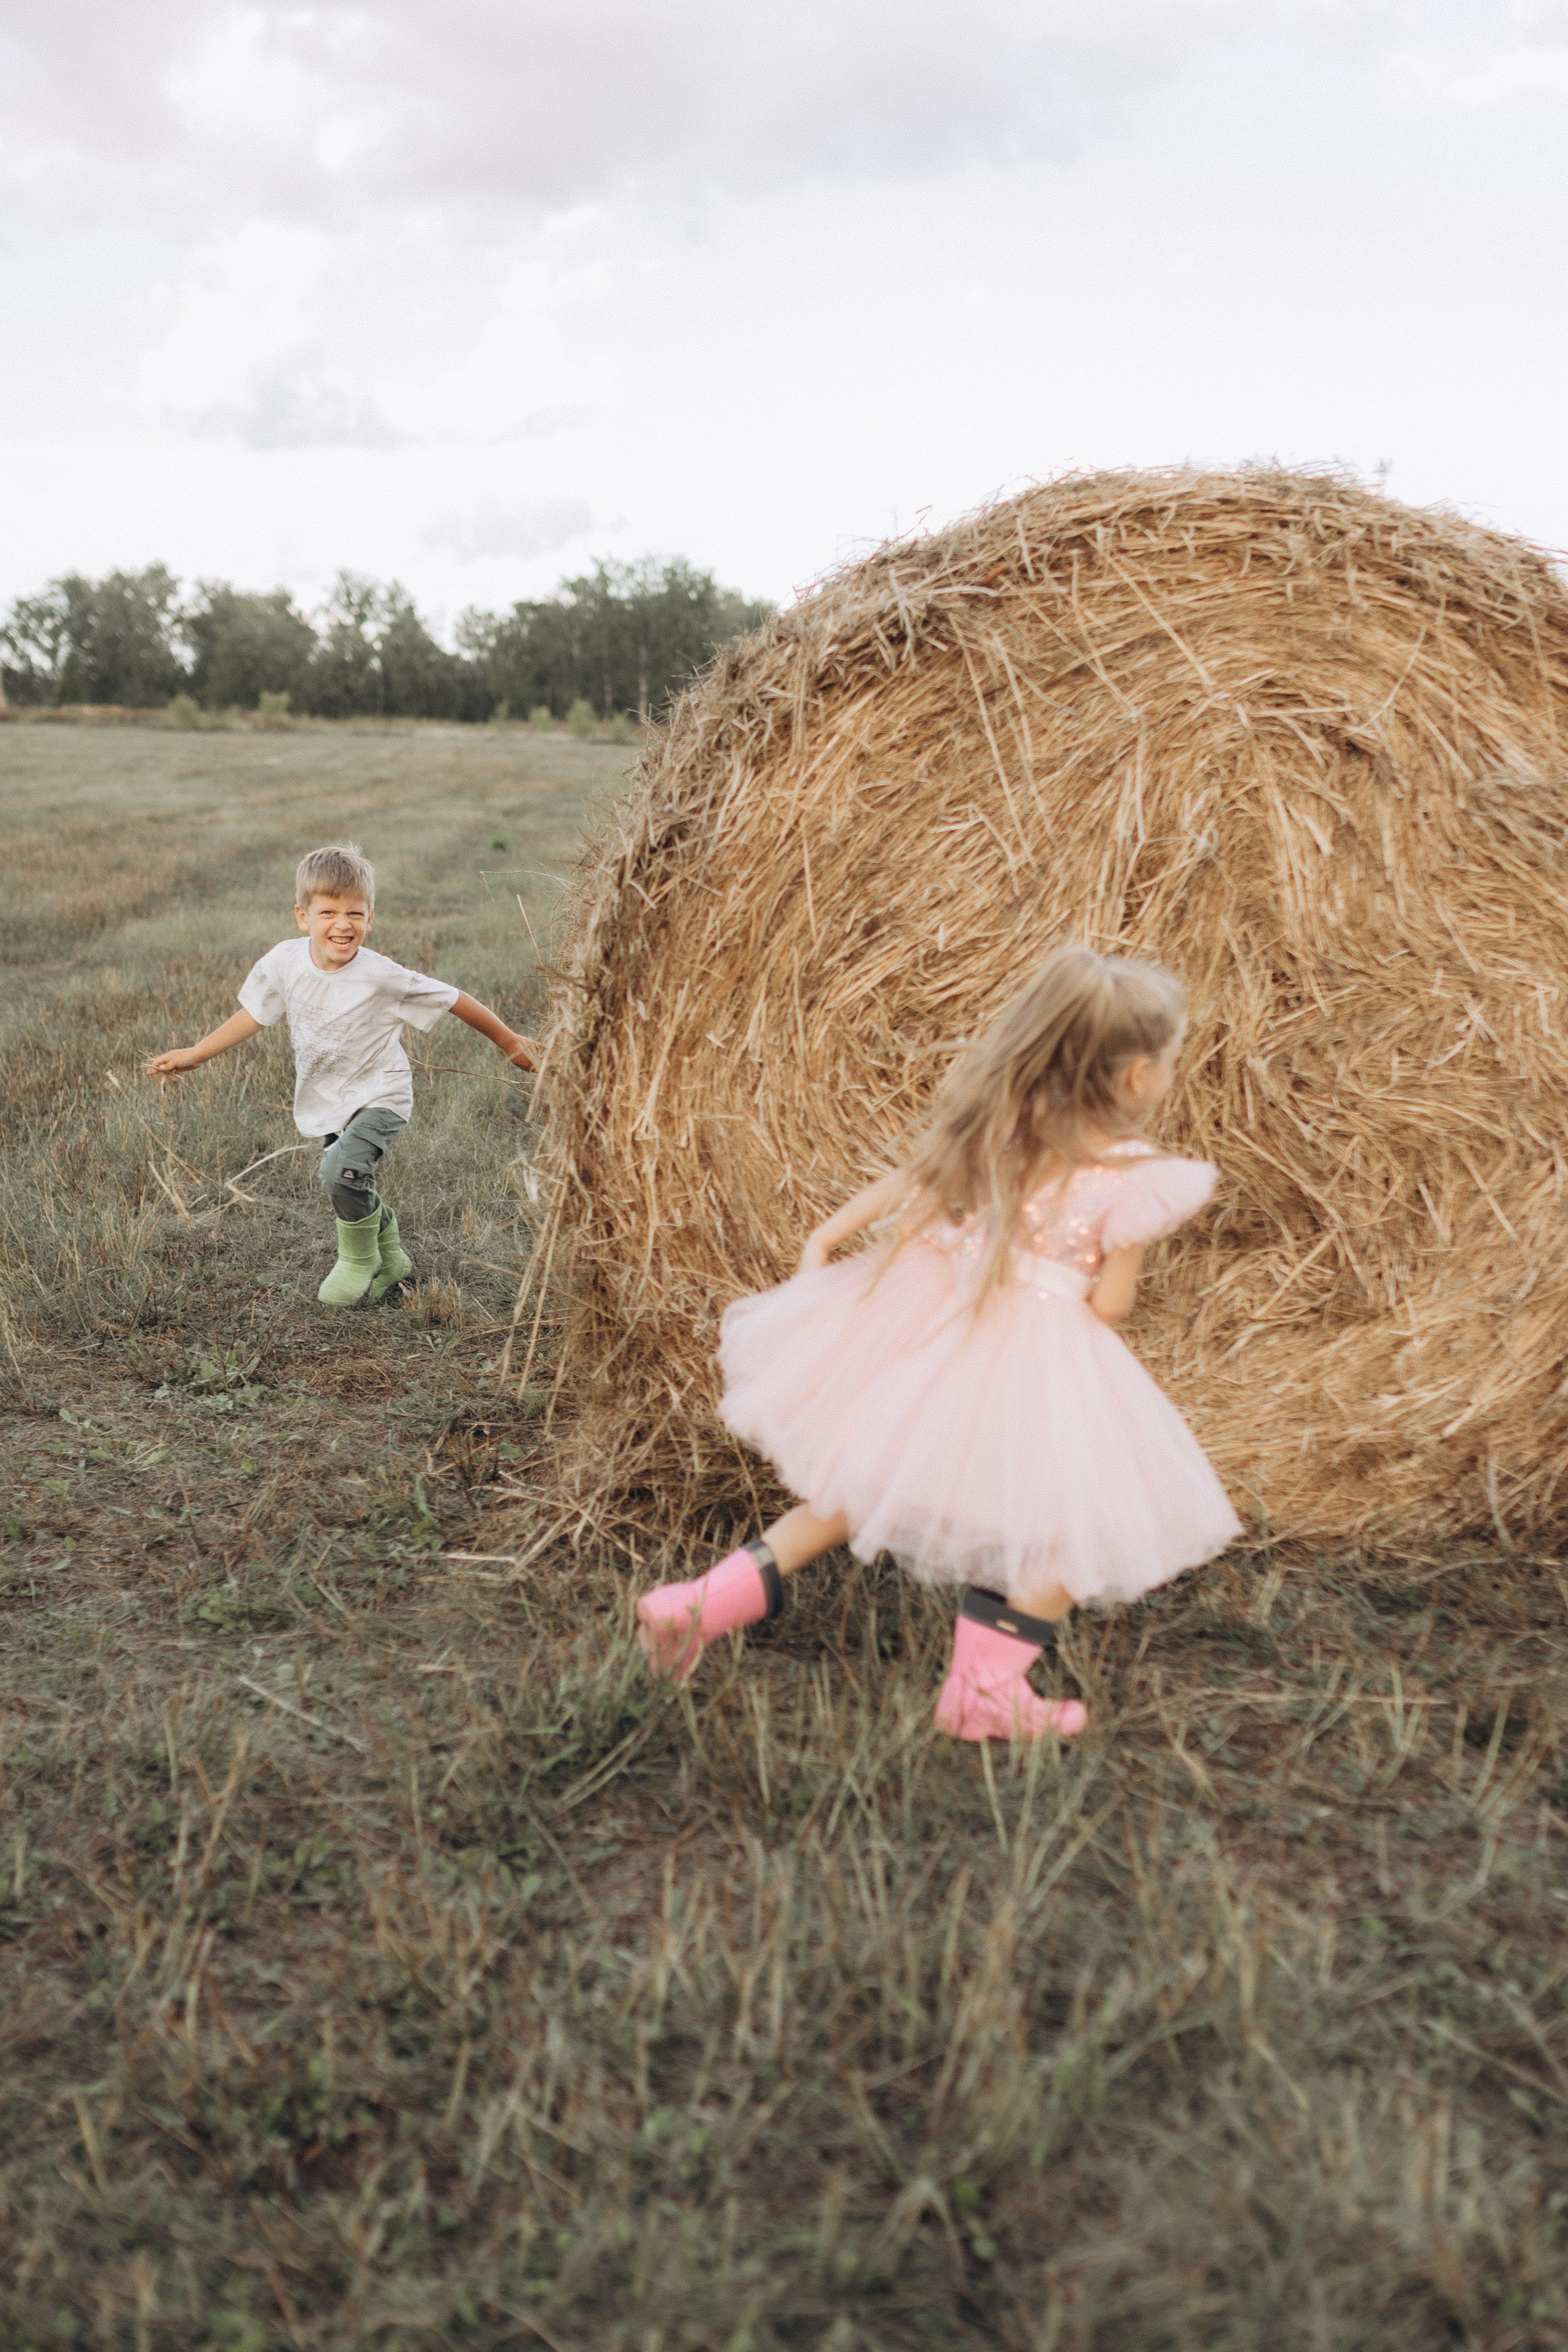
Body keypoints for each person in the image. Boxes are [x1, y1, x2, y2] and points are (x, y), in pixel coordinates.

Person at [636, 944, 1241, 1740]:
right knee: (1065, 1520)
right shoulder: (1130, 1173)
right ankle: (984, 1690)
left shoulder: (1001, 1129)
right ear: (1136, 1078)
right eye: (1170, 1062)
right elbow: (1111, 1305)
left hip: (946, 1328)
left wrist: (827, 1237)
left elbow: (914, 1186)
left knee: (851, 1494)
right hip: (1044, 1351)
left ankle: (695, 1605)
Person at [145, 843, 536, 1306]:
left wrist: (511, 1043)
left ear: (370, 918)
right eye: (328, 911)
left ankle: (357, 1260)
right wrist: (198, 1053)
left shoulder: (381, 976)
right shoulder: (284, 963)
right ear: (302, 917)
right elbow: (254, 1013)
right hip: (328, 1098)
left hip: (382, 1094)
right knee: (349, 1180)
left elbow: (453, 998)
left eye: (356, 913)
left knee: (338, 1173)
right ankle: (393, 1259)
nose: (343, 924)